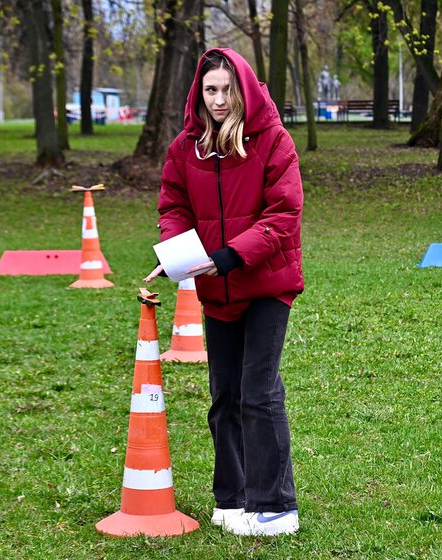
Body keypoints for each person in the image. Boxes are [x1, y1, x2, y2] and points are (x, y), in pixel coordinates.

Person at [144, 48, 304, 537]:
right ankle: (232, 499)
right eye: (210, 89)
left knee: (259, 392)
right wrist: (174, 250)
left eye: (226, 90)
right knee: (224, 396)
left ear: (244, 90)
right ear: (199, 93)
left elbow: (283, 214)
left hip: (266, 283)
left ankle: (276, 505)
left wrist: (232, 254)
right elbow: (174, 205)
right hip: (217, 289)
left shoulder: (273, 141)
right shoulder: (185, 148)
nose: (218, 99)